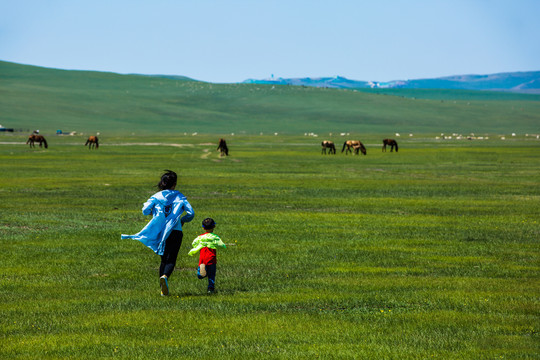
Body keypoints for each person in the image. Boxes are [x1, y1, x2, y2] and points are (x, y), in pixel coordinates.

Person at [121, 170, 194, 296]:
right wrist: (183, 220)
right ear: (175, 184)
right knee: (171, 259)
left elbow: (145, 210)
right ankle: (165, 277)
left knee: (163, 259)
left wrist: (154, 214)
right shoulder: (179, 196)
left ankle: (162, 288)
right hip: (176, 231)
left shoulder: (156, 197)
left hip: (161, 233)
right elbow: (191, 213)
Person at [188, 218, 226, 294]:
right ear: (214, 226)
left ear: (203, 228)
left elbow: (194, 243)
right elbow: (221, 245)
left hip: (202, 259)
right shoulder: (215, 237)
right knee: (212, 275)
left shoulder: (200, 237)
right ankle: (210, 289)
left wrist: (200, 245)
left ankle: (203, 274)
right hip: (211, 258)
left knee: (200, 276)